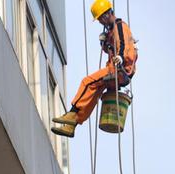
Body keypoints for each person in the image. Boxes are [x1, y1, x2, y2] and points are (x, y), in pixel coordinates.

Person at [51, 0, 137, 138]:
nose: (100, 22)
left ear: (107, 14)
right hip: (116, 70)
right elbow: (111, 49)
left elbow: (123, 44)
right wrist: (104, 43)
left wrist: (120, 57)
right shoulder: (111, 30)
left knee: (87, 82)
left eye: (100, 19)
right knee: (94, 90)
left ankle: (72, 113)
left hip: (119, 70)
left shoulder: (119, 26)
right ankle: (72, 125)